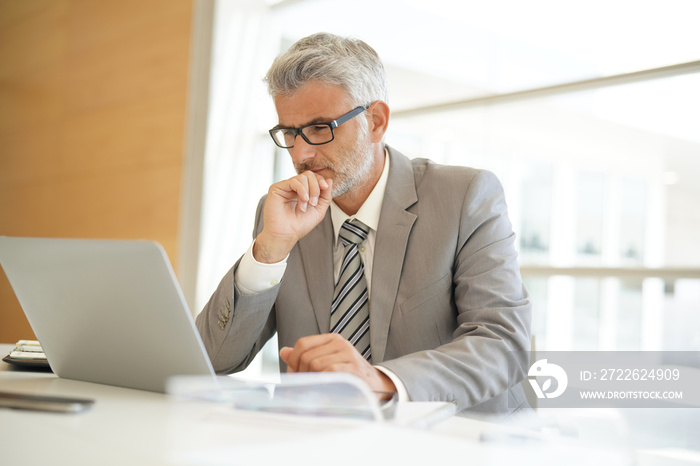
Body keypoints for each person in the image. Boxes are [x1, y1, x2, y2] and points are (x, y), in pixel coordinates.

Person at [196, 32, 532, 417]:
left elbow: (503, 343)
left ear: (376, 121)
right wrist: (270, 249)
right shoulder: (282, 215)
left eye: (320, 128)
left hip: (461, 441)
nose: (302, 153)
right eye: (289, 133)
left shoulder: (465, 196)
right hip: (326, 443)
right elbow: (213, 359)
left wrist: (382, 382)